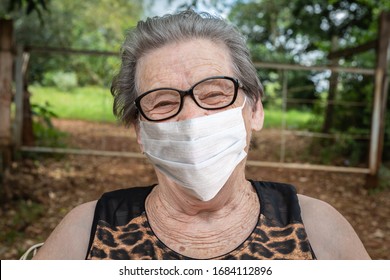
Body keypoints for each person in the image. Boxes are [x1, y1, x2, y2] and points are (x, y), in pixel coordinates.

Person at [33, 10, 370, 260]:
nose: (191, 117)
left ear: (255, 111)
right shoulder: (86, 231)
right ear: (140, 131)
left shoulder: (318, 228)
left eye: (214, 95)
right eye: (163, 102)